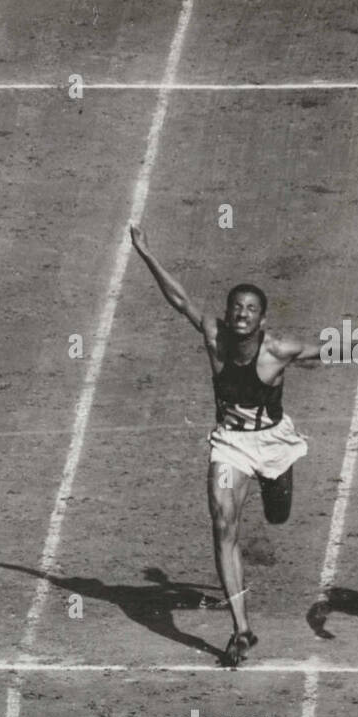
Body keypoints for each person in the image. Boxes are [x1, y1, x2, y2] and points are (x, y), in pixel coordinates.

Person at [129, 222, 322, 667]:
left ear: (262, 319)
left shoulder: (276, 349)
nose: (241, 314)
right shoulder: (213, 337)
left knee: (278, 516)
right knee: (222, 522)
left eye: (251, 309)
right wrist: (145, 252)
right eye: (236, 306)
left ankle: (278, 483)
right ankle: (241, 629)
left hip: (273, 442)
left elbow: (323, 350)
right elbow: (179, 300)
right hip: (230, 445)